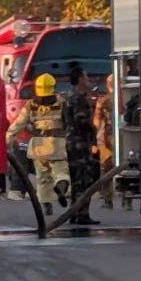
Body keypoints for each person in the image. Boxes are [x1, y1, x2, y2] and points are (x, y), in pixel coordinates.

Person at [5, 73, 70, 217]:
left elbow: (18, 124)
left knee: (43, 178)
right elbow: (69, 123)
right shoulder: (61, 103)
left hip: (38, 146)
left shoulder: (31, 105)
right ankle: (61, 186)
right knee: (61, 172)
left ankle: (46, 204)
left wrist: (7, 139)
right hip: (56, 145)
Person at [64, 66, 100, 225]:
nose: (88, 80)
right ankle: (82, 213)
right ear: (79, 80)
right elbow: (81, 120)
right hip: (80, 143)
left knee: (76, 179)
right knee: (84, 179)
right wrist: (94, 129)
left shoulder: (68, 97)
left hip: (72, 142)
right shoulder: (78, 98)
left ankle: (74, 212)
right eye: (86, 77)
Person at [93, 75, 116, 209]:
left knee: (106, 168)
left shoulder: (103, 100)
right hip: (124, 135)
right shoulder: (125, 98)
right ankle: (128, 198)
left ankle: (107, 199)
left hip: (108, 136)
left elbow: (96, 121)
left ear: (108, 85)